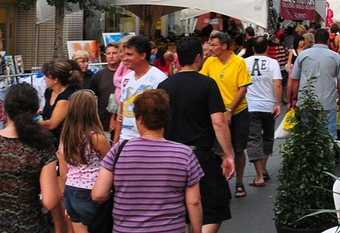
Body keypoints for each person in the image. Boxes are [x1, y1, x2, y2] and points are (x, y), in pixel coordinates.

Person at [92, 89, 203, 233]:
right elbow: (194, 202)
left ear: (141, 119)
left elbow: (98, 194)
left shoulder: (120, 150)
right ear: (166, 118)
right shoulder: (184, 154)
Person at [158, 36, 235, 232]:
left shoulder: (164, 86)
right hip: (201, 156)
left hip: (171, 156)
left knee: (179, 209)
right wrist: (228, 154)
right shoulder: (207, 84)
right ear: (198, 58)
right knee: (213, 208)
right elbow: (219, 122)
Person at [0, 83, 60, 233]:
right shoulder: (42, 146)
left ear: (4, 110)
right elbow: (50, 201)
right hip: (30, 225)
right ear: (35, 111)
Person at [199, 31, 251, 198]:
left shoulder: (238, 62)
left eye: (214, 45)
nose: (210, 48)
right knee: (220, 150)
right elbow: (201, 82)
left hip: (238, 111)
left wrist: (229, 111)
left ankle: (239, 182)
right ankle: (223, 183)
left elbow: (243, 88)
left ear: (224, 46)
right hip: (216, 113)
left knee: (239, 149)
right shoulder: (210, 62)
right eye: (210, 44)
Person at [57, 89, 110, 233]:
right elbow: (111, 165)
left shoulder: (65, 137)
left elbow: (63, 171)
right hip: (91, 190)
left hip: (70, 189)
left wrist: (64, 193)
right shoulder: (96, 138)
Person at [288, 28, 340, 140]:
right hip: (328, 102)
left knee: (307, 136)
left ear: (314, 40)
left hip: (306, 102)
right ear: (328, 41)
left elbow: (295, 80)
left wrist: (295, 98)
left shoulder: (302, 55)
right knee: (328, 136)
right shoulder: (336, 57)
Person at [242, 35, 282, 186]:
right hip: (268, 106)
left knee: (254, 139)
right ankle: (263, 167)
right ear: (267, 48)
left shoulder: (244, 62)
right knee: (268, 137)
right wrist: (278, 103)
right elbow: (277, 84)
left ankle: (259, 174)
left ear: (253, 48)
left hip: (250, 106)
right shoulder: (273, 63)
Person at [117, 35, 168, 142]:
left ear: (143, 55)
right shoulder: (126, 79)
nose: (125, 58)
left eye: (129, 55)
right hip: (125, 139)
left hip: (149, 141)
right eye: (124, 54)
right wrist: (115, 144)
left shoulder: (159, 79)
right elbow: (121, 113)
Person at [39, 59, 83, 144]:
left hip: (63, 141)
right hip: (49, 139)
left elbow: (51, 124)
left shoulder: (66, 97)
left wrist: (34, 120)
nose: (44, 79)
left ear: (55, 80)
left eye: (46, 76)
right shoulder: (49, 92)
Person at [89, 42, 121, 135]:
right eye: (108, 53)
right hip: (103, 124)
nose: (111, 56)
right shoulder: (98, 76)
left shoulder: (127, 74)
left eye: (114, 53)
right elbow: (92, 97)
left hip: (123, 125)